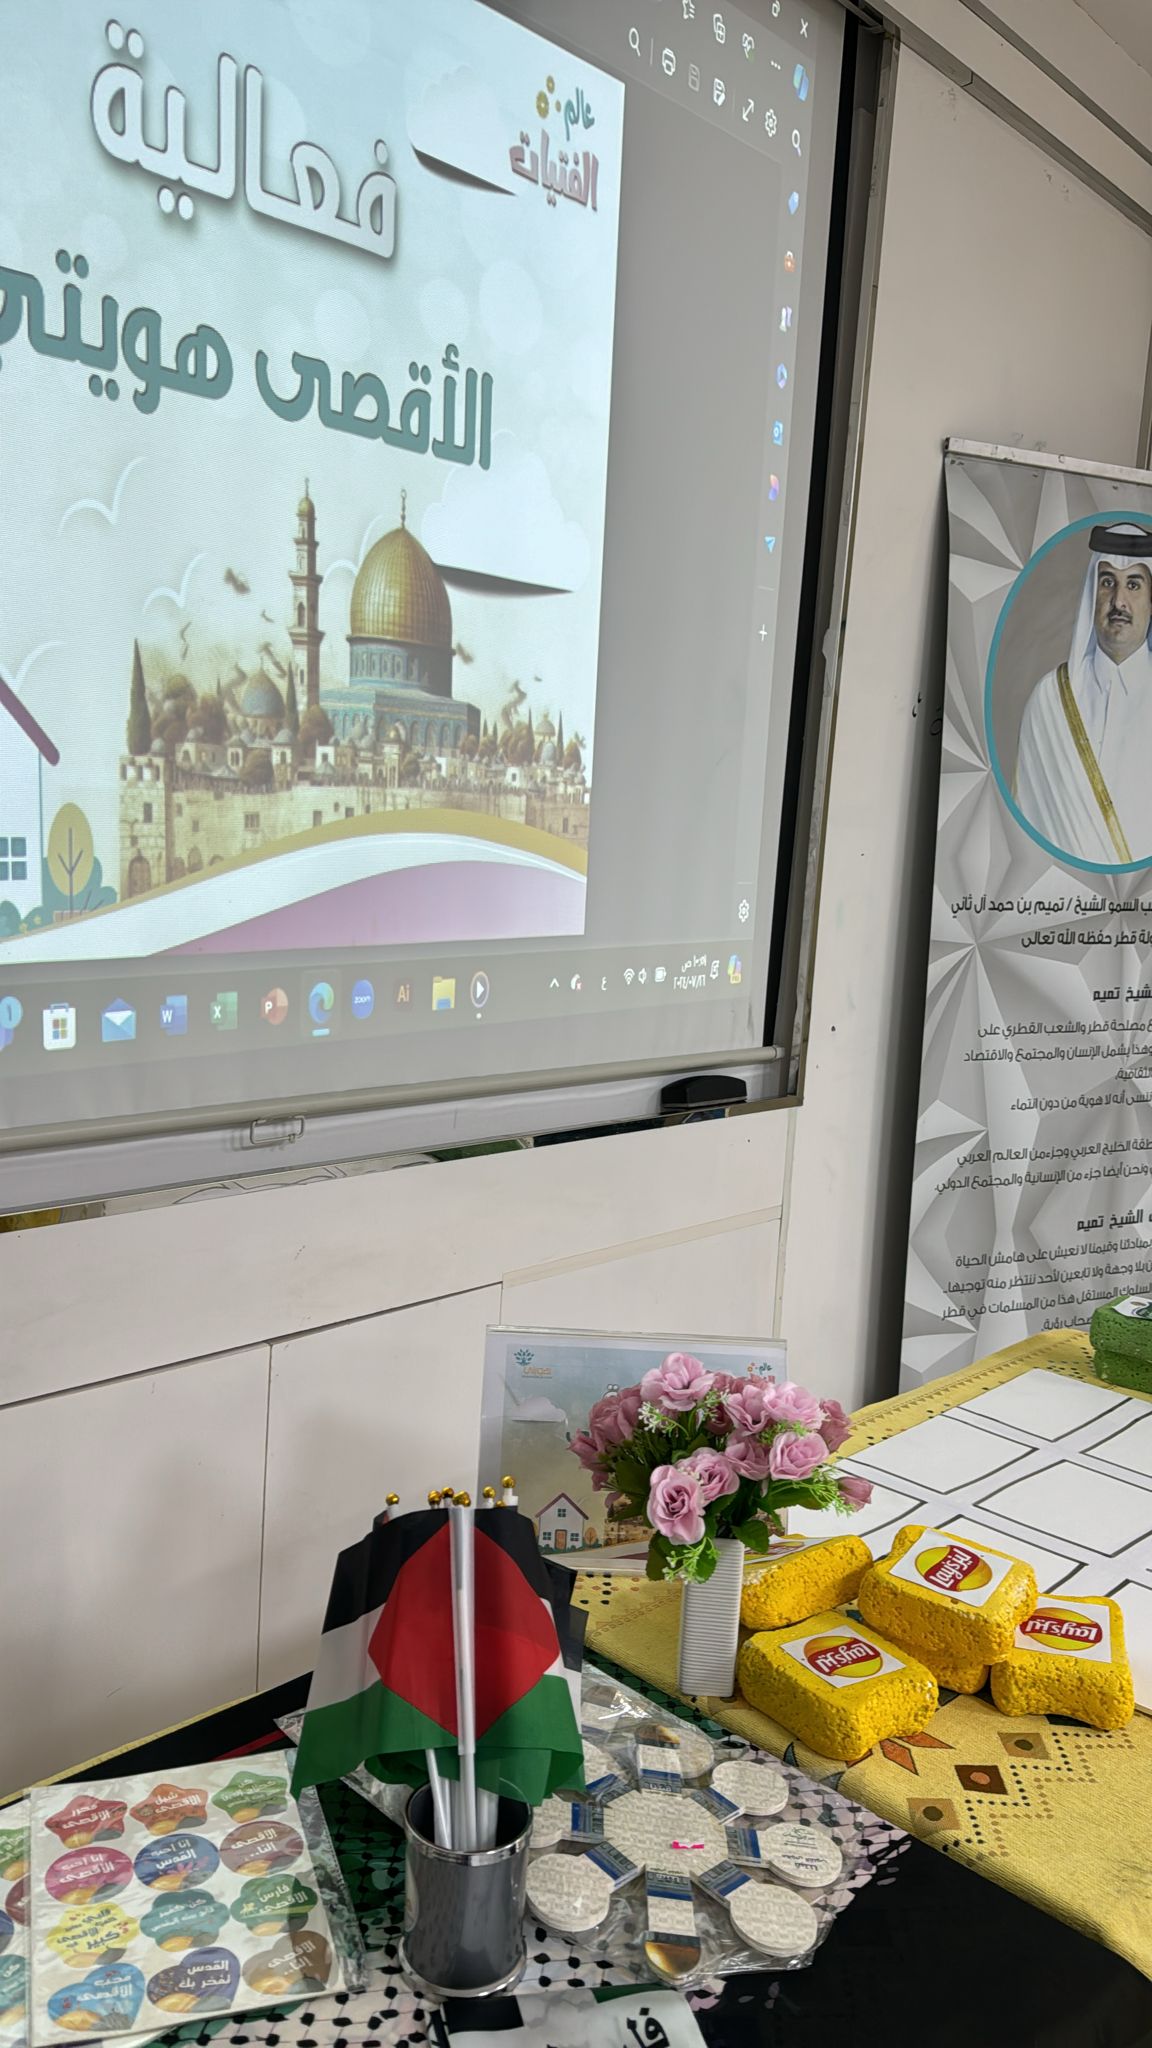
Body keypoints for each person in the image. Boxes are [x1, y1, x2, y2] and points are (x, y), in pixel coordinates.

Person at [1015, 524, 1152, 862]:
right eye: (1107, 582)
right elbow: (1025, 829)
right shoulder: (1050, 699)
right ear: (1093, 594)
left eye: (1134, 584)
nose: (1119, 601)